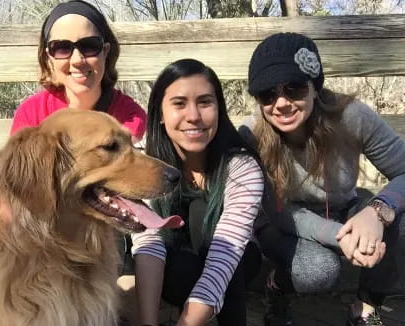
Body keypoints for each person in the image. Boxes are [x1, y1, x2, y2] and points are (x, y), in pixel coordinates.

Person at [240, 32, 404, 326]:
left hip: (342, 207)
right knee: (318, 269)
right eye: (268, 93)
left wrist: (378, 210)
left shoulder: (351, 117)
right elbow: (278, 213)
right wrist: (343, 238)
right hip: (282, 222)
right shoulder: (252, 135)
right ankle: (278, 287)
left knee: (399, 218)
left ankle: (366, 307)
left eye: (294, 88)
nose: (281, 103)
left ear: (315, 87)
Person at [132, 59, 264, 326]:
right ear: (159, 113)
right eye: (179, 104)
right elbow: (149, 242)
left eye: (205, 102)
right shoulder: (144, 162)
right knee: (182, 269)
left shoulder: (240, 166)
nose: (193, 115)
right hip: (175, 264)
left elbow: (225, 255)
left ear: (219, 109)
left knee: (203, 217)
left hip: (234, 259)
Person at [10, 0, 146, 143]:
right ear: (49, 57)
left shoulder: (129, 116)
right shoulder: (31, 114)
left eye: (89, 46)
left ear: (105, 51)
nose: (77, 60)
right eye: (62, 47)